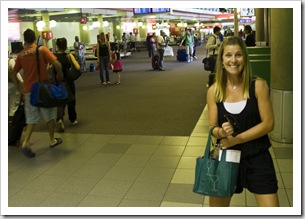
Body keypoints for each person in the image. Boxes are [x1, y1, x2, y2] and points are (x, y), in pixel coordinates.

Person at [206, 36, 279, 207]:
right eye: (228, 55)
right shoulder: (214, 91)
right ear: (222, 59)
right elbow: (212, 127)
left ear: (245, 58)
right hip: (225, 158)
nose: (233, 60)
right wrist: (221, 132)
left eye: (238, 55)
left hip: (257, 156)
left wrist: (236, 139)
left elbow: (268, 124)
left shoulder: (258, 85)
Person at [11, 29, 64, 158]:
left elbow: (13, 73)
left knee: (31, 118)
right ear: (35, 39)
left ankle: (26, 142)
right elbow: (57, 63)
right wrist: (59, 75)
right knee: (49, 115)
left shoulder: (21, 54)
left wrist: (19, 89)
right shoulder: (41, 50)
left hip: (29, 90)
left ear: (25, 40)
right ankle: (52, 140)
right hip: (43, 89)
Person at [54, 38, 80, 132]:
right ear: (65, 46)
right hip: (68, 82)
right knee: (71, 101)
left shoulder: (53, 57)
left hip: (57, 82)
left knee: (60, 102)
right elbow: (77, 67)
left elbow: (48, 68)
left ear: (57, 46)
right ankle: (72, 119)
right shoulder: (69, 56)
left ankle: (60, 118)